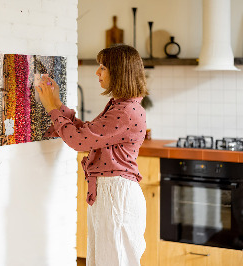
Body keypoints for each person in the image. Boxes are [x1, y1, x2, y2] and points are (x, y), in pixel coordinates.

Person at [36, 44, 148, 266]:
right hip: (111, 193)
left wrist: (51, 108)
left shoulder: (125, 111)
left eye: (103, 67)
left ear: (119, 72)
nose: (97, 72)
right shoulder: (121, 106)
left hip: (116, 195)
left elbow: (79, 141)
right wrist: (57, 104)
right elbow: (87, 133)